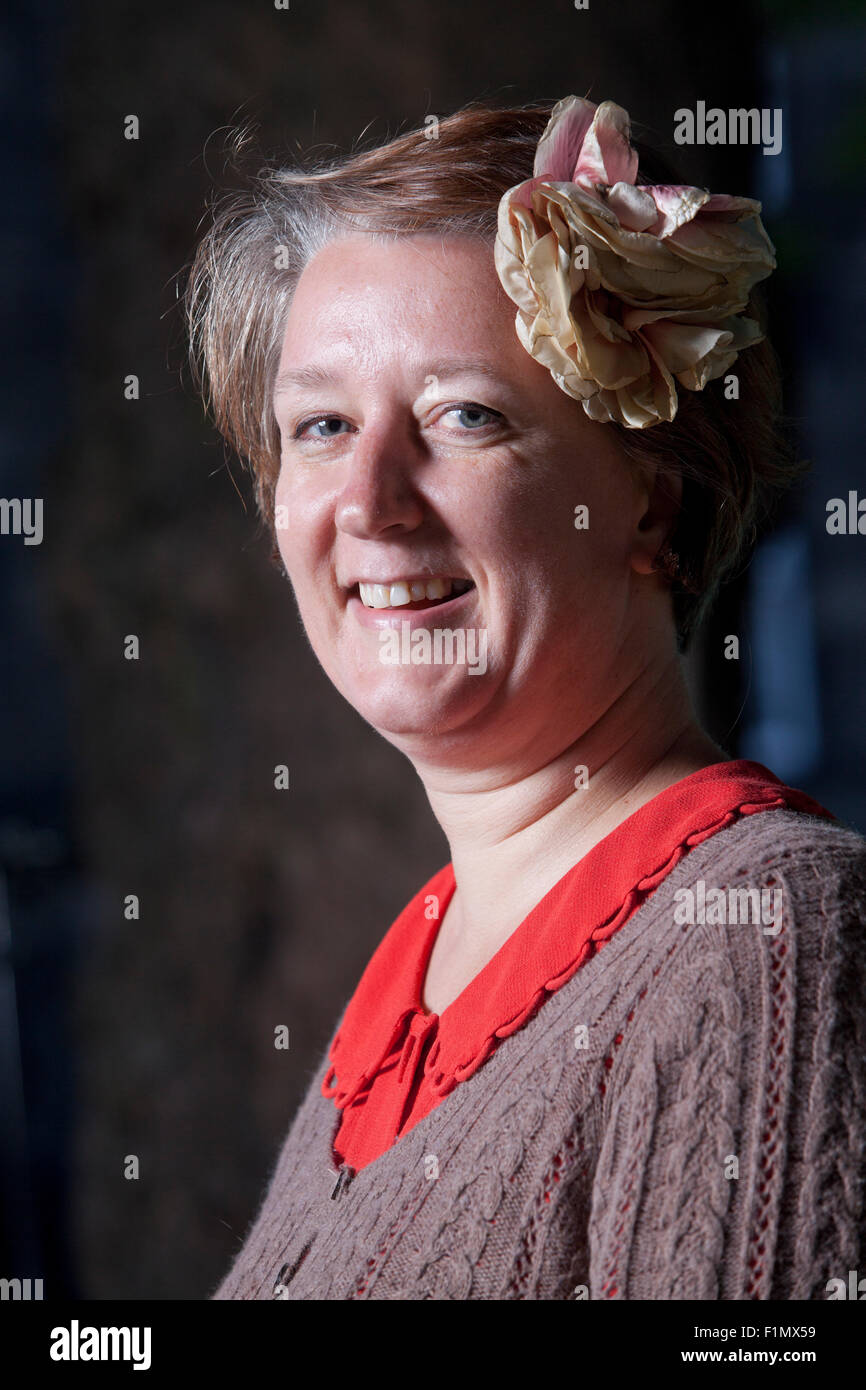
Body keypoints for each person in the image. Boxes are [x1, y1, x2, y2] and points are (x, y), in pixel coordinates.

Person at [186, 95, 866, 1300]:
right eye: (322, 425)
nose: (371, 500)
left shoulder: (768, 939)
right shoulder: (412, 977)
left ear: (647, 500)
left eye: (464, 415)